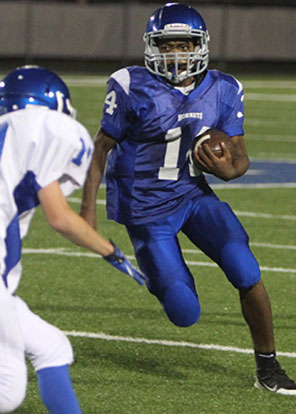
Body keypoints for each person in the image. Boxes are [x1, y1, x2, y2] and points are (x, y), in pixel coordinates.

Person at [80, 2, 296, 395]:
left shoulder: (223, 88)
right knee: (184, 312)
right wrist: (86, 215)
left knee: (246, 269)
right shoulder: (131, 86)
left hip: (192, 196)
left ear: (200, 46)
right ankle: (163, 281)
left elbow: (240, 156)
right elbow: (100, 149)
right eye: (167, 46)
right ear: (153, 47)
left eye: (184, 45)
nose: (176, 54)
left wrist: (230, 170)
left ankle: (268, 367)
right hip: (145, 210)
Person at [0, 65, 146, 414]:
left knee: (53, 347)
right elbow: (60, 218)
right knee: (8, 392)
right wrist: (111, 251)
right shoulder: (44, 127)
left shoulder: (11, 132)